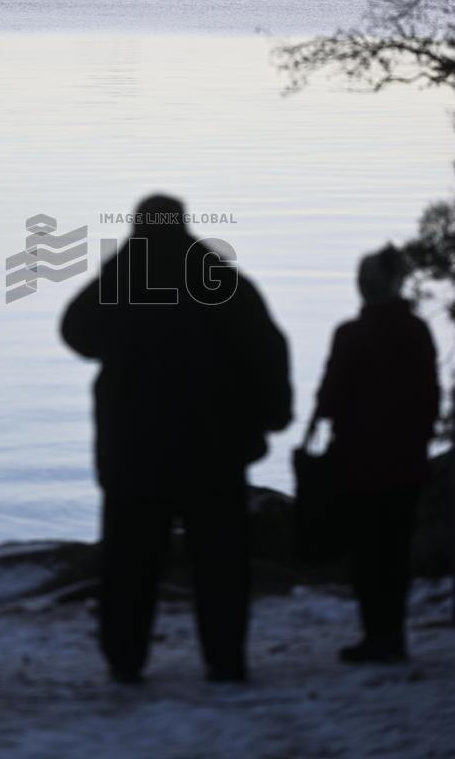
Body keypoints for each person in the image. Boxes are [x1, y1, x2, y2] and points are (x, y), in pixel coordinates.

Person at [60, 194, 292, 683]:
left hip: (133, 458)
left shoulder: (120, 283)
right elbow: (268, 349)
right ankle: (224, 660)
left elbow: (75, 331)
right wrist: (274, 415)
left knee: (129, 566)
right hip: (215, 455)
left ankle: (125, 661)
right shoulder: (222, 281)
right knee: (221, 567)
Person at [309, 244, 440, 663]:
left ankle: (376, 634)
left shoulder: (351, 335)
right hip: (406, 463)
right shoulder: (417, 331)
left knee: (368, 554)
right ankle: (393, 634)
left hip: (360, 465)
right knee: (395, 551)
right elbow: (431, 399)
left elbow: (330, 399)